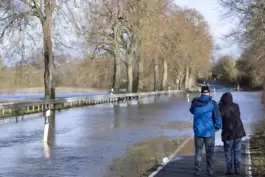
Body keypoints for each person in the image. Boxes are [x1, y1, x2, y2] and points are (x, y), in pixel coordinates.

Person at [190, 86, 222, 176]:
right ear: (209, 93)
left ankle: (197, 171)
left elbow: (192, 111)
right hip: (209, 132)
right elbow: (218, 117)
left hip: (198, 132)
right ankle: (210, 171)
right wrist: (217, 127)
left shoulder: (195, 103)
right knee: (210, 153)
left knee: (198, 153)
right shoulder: (213, 103)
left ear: (201, 93)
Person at [219, 92, 246, 175]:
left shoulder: (222, 108)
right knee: (237, 151)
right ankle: (237, 169)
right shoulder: (236, 106)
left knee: (228, 152)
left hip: (228, 133)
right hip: (238, 131)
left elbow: (219, 117)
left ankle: (229, 170)